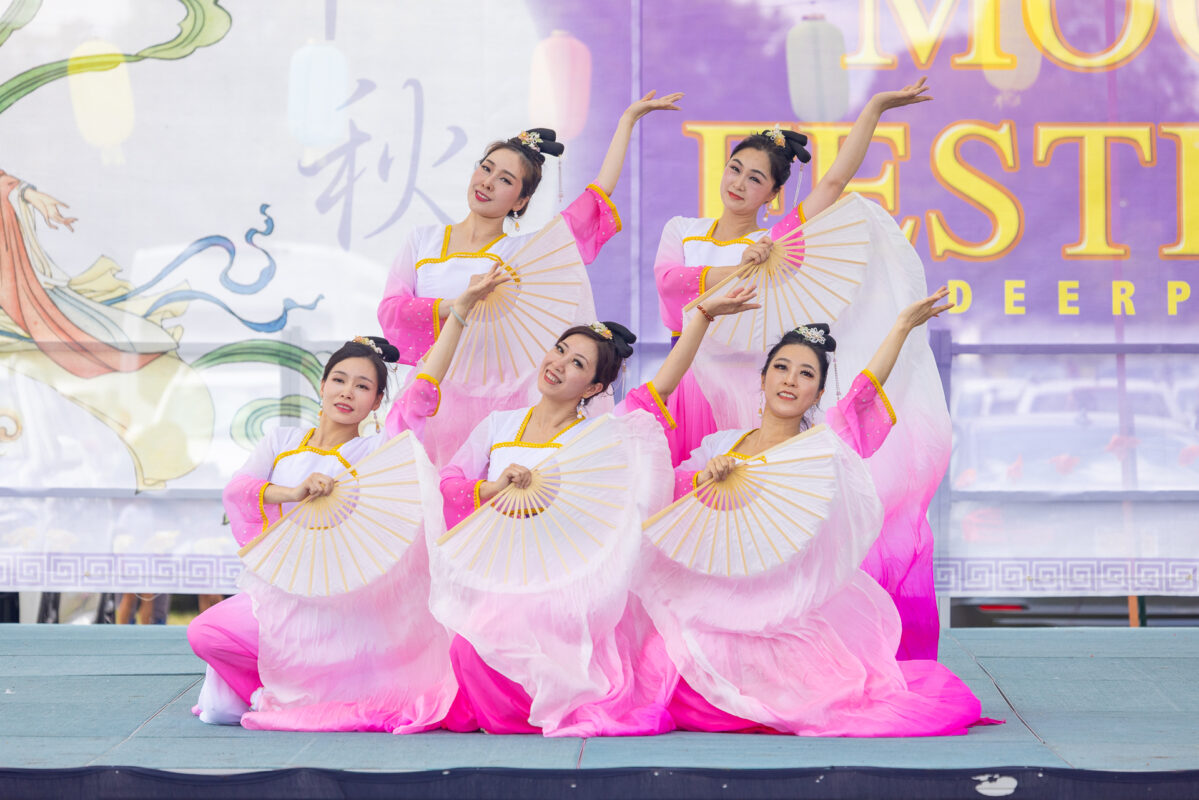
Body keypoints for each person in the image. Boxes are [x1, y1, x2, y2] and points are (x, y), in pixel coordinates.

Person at [652, 81, 950, 659]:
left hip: (752, 395)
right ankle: (679, 644)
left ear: (774, 195)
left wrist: (874, 109)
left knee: (758, 518)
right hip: (690, 379)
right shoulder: (683, 232)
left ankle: (761, 639)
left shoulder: (778, 240)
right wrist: (738, 264)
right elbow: (670, 290)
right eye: (735, 169)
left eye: (755, 179)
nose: (738, 183)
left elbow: (834, 183)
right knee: (682, 507)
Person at [631, 287, 988, 736]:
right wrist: (704, 478)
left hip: (785, 599)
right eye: (781, 367)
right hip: (717, 588)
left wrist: (900, 327)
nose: (790, 380)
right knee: (662, 669)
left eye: (805, 374)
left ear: (818, 390)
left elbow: (864, 392)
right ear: (762, 379)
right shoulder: (721, 445)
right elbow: (671, 495)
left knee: (800, 695)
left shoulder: (821, 448)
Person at [187, 267, 508, 730]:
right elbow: (238, 491)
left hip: (348, 601)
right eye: (340, 379)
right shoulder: (282, 440)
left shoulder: (378, 449)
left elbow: (423, 386)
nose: (348, 392)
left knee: (236, 703)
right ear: (322, 385)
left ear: (377, 402)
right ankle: (277, 691)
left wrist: (459, 311)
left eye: (363, 387)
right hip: (285, 589)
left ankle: (306, 688)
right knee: (207, 636)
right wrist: (293, 492)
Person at [431, 289, 759, 737]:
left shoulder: (600, 439)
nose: (559, 364)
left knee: (528, 647)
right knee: (469, 648)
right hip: (498, 567)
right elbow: (449, 481)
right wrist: (492, 488)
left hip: (562, 577)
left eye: (578, 364)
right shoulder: (499, 425)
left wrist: (699, 316)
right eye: (561, 350)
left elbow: (659, 389)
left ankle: (537, 712)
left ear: (594, 389)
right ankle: (514, 716)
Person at [378, 91, 683, 466]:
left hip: (500, 400)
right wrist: (456, 306)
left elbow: (595, 197)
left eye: (505, 179)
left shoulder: (525, 255)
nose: (487, 182)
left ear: (520, 201)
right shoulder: (422, 240)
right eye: (485, 167)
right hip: (433, 392)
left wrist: (627, 122)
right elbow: (392, 311)